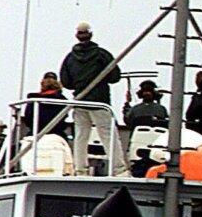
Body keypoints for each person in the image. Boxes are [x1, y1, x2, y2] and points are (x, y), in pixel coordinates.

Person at [59, 22, 128, 175]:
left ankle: (80, 169)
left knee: (81, 136)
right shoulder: (102, 55)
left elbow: (66, 82)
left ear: (77, 35)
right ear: (91, 34)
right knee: (108, 135)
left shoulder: (70, 58)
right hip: (99, 102)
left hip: (80, 101)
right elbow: (115, 77)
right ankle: (118, 169)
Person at [23, 72, 70, 139]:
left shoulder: (33, 100)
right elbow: (63, 118)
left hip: (34, 134)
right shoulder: (62, 101)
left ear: (42, 83)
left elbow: (28, 119)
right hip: (56, 135)